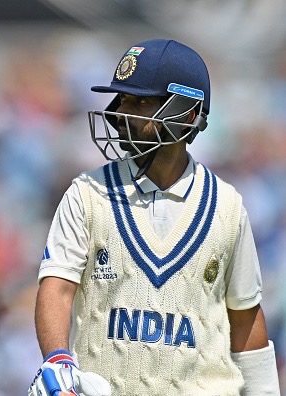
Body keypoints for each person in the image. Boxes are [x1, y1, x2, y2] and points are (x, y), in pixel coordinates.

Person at [28, 39, 280, 395]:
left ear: (187, 113)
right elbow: (57, 287)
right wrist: (57, 358)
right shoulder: (87, 194)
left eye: (140, 102)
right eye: (122, 100)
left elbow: (245, 316)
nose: (120, 113)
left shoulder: (227, 207)